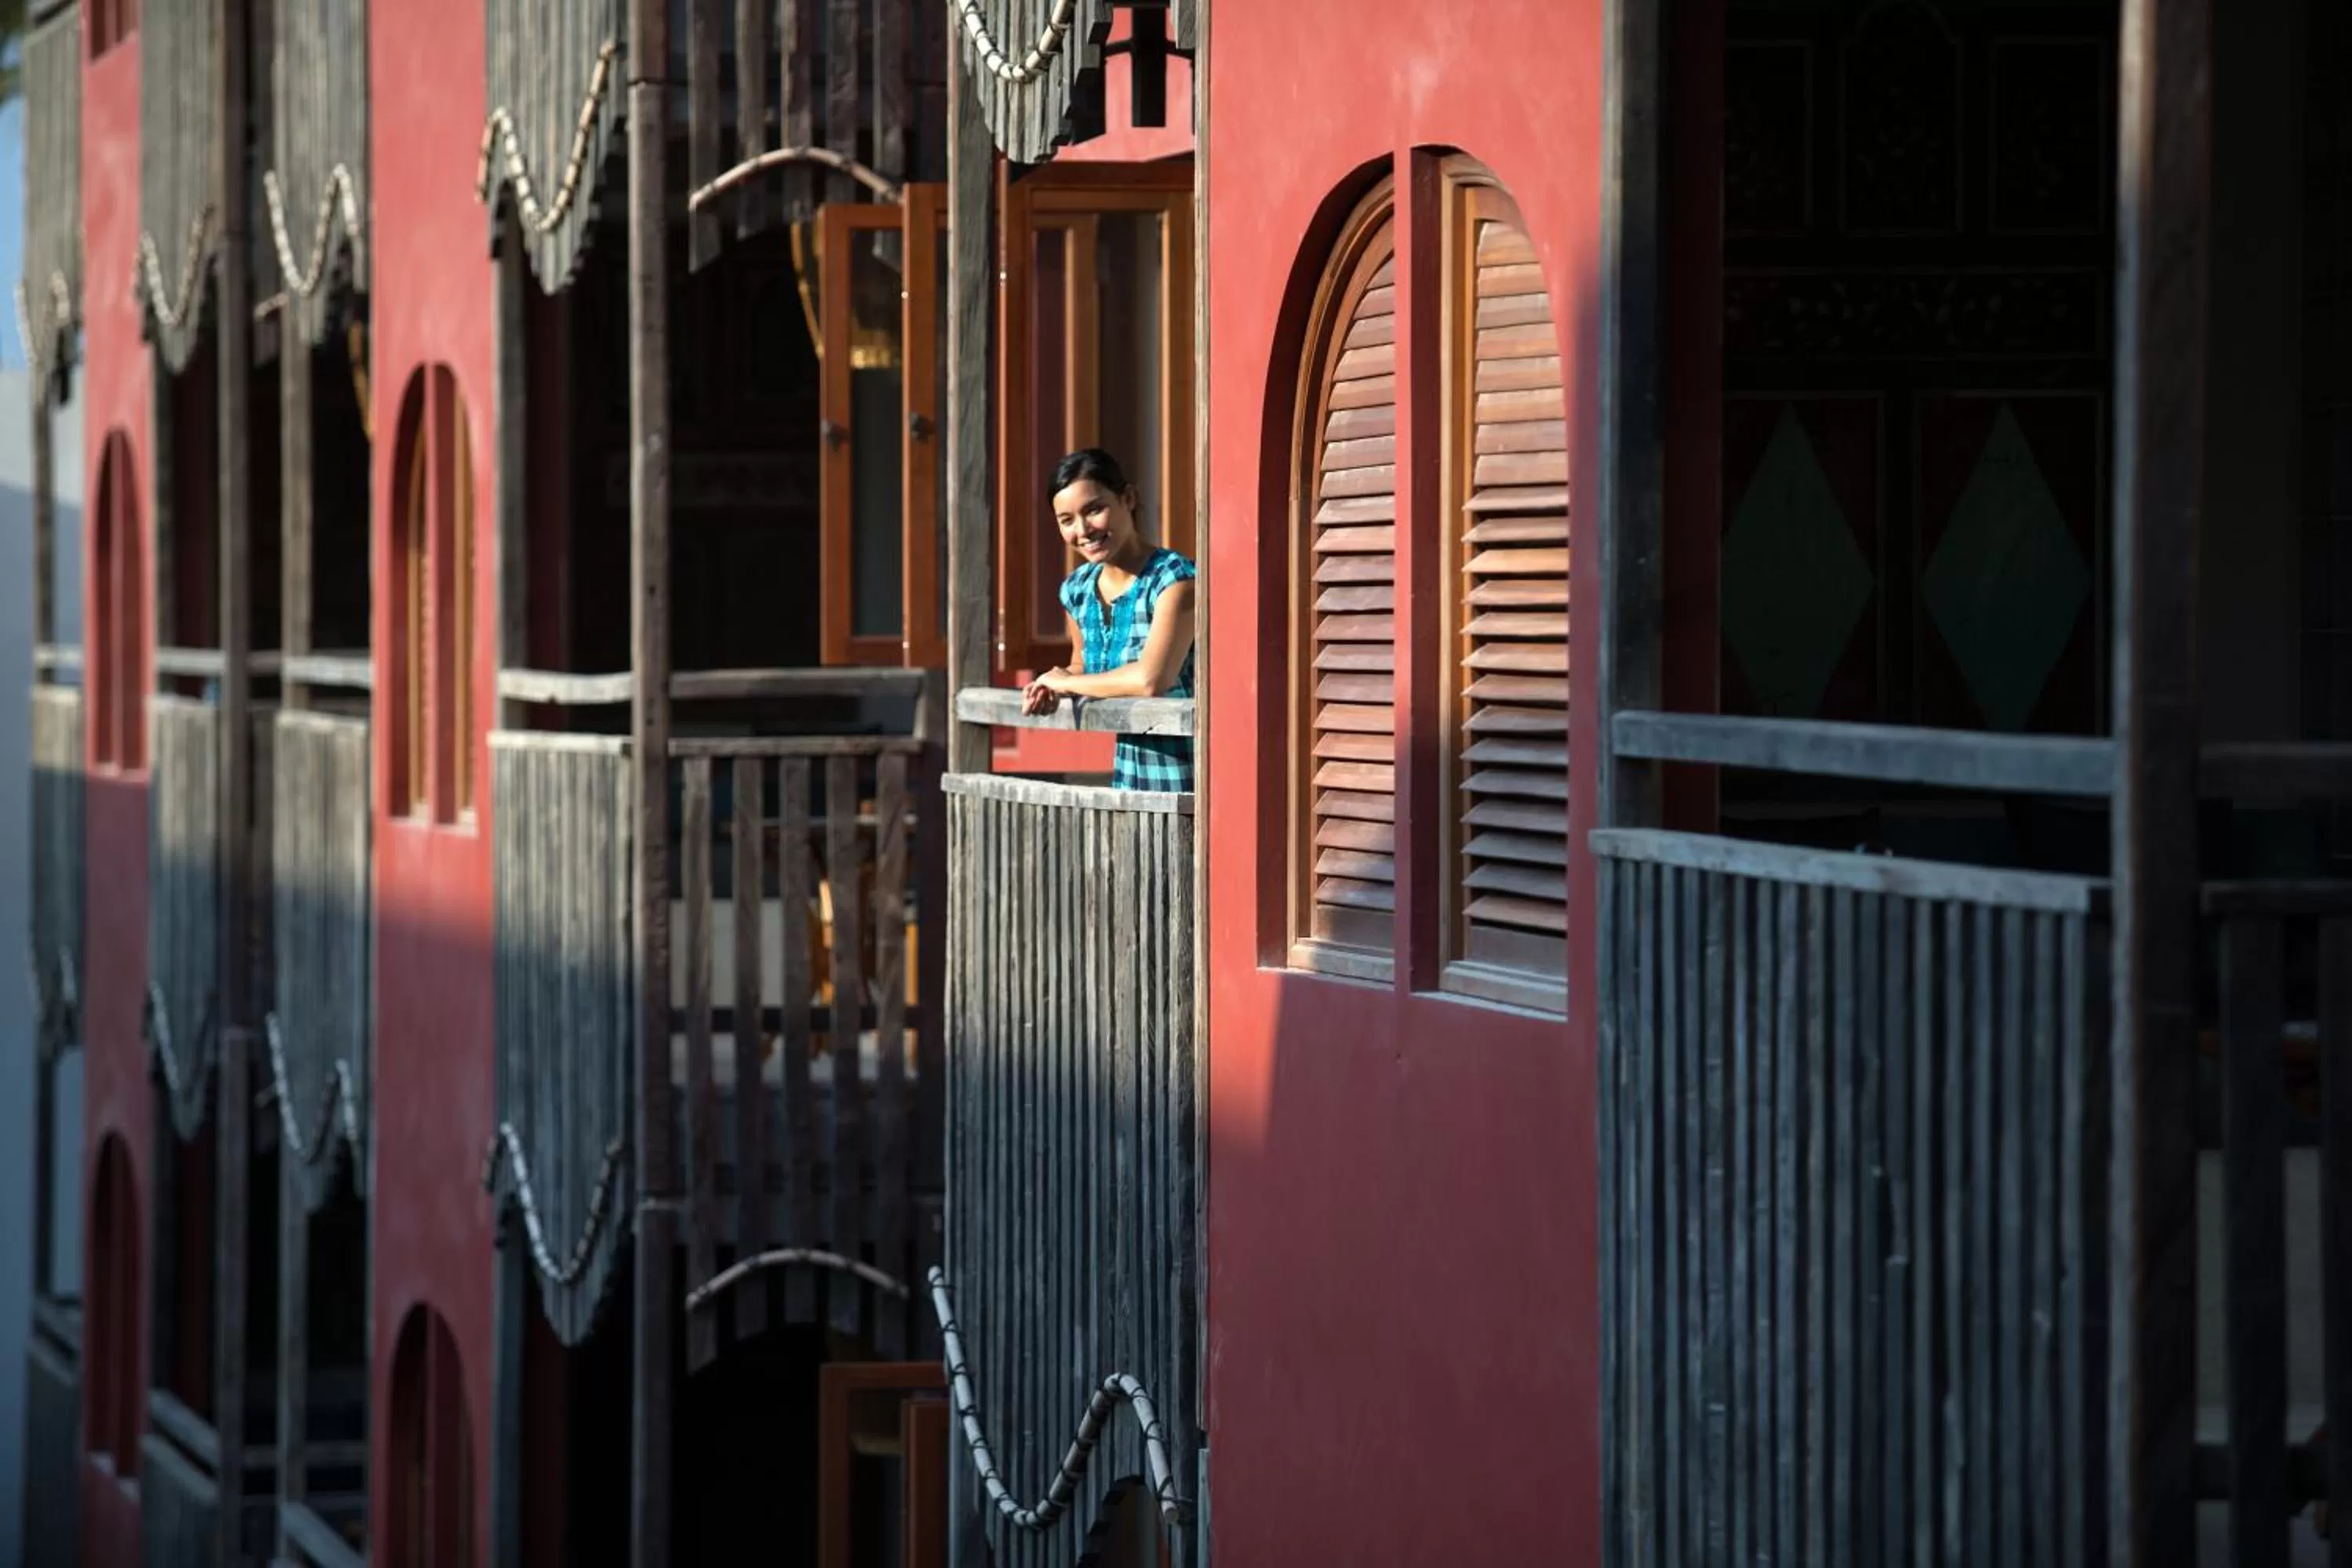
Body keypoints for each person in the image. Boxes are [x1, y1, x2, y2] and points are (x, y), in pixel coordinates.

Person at [1021, 448, 1198, 791]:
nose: (1083, 530)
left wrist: (1068, 684)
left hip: (1187, 781)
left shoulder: (1174, 580)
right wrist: (1049, 686)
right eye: (1066, 520)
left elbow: (1151, 679)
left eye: (1094, 510)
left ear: (1128, 499)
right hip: (1129, 780)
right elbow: (1082, 666)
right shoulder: (1077, 590)